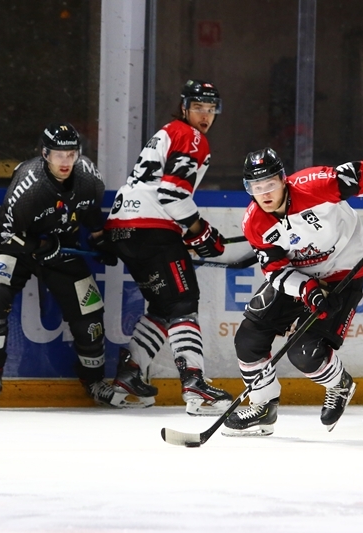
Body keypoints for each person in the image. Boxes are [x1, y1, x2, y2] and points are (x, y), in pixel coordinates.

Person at [221, 147, 363, 436]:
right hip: (300, 277)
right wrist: (307, 289)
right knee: (249, 338)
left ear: (283, 179)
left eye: (270, 184)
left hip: (345, 272)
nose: (264, 193)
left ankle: (339, 384)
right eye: (256, 187)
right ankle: (263, 407)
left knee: (305, 353)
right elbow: (275, 270)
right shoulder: (255, 222)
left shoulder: (317, 184)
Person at [0, 122, 116, 409]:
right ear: (45, 154)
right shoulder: (29, 187)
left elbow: (91, 213)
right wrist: (40, 246)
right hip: (16, 245)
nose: (66, 161)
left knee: (89, 312)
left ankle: (94, 381)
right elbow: (2, 233)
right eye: (58, 155)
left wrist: (100, 240)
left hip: (61, 247)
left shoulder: (90, 178)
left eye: (71, 154)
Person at [103, 79, 233, 416]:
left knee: (162, 306)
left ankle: (129, 377)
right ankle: (195, 384)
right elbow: (172, 195)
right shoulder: (190, 137)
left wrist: (189, 234)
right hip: (151, 229)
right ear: (185, 106)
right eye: (199, 107)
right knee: (183, 302)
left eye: (210, 109)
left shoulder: (166, 132)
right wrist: (200, 232)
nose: (205, 116)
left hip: (123, 228)